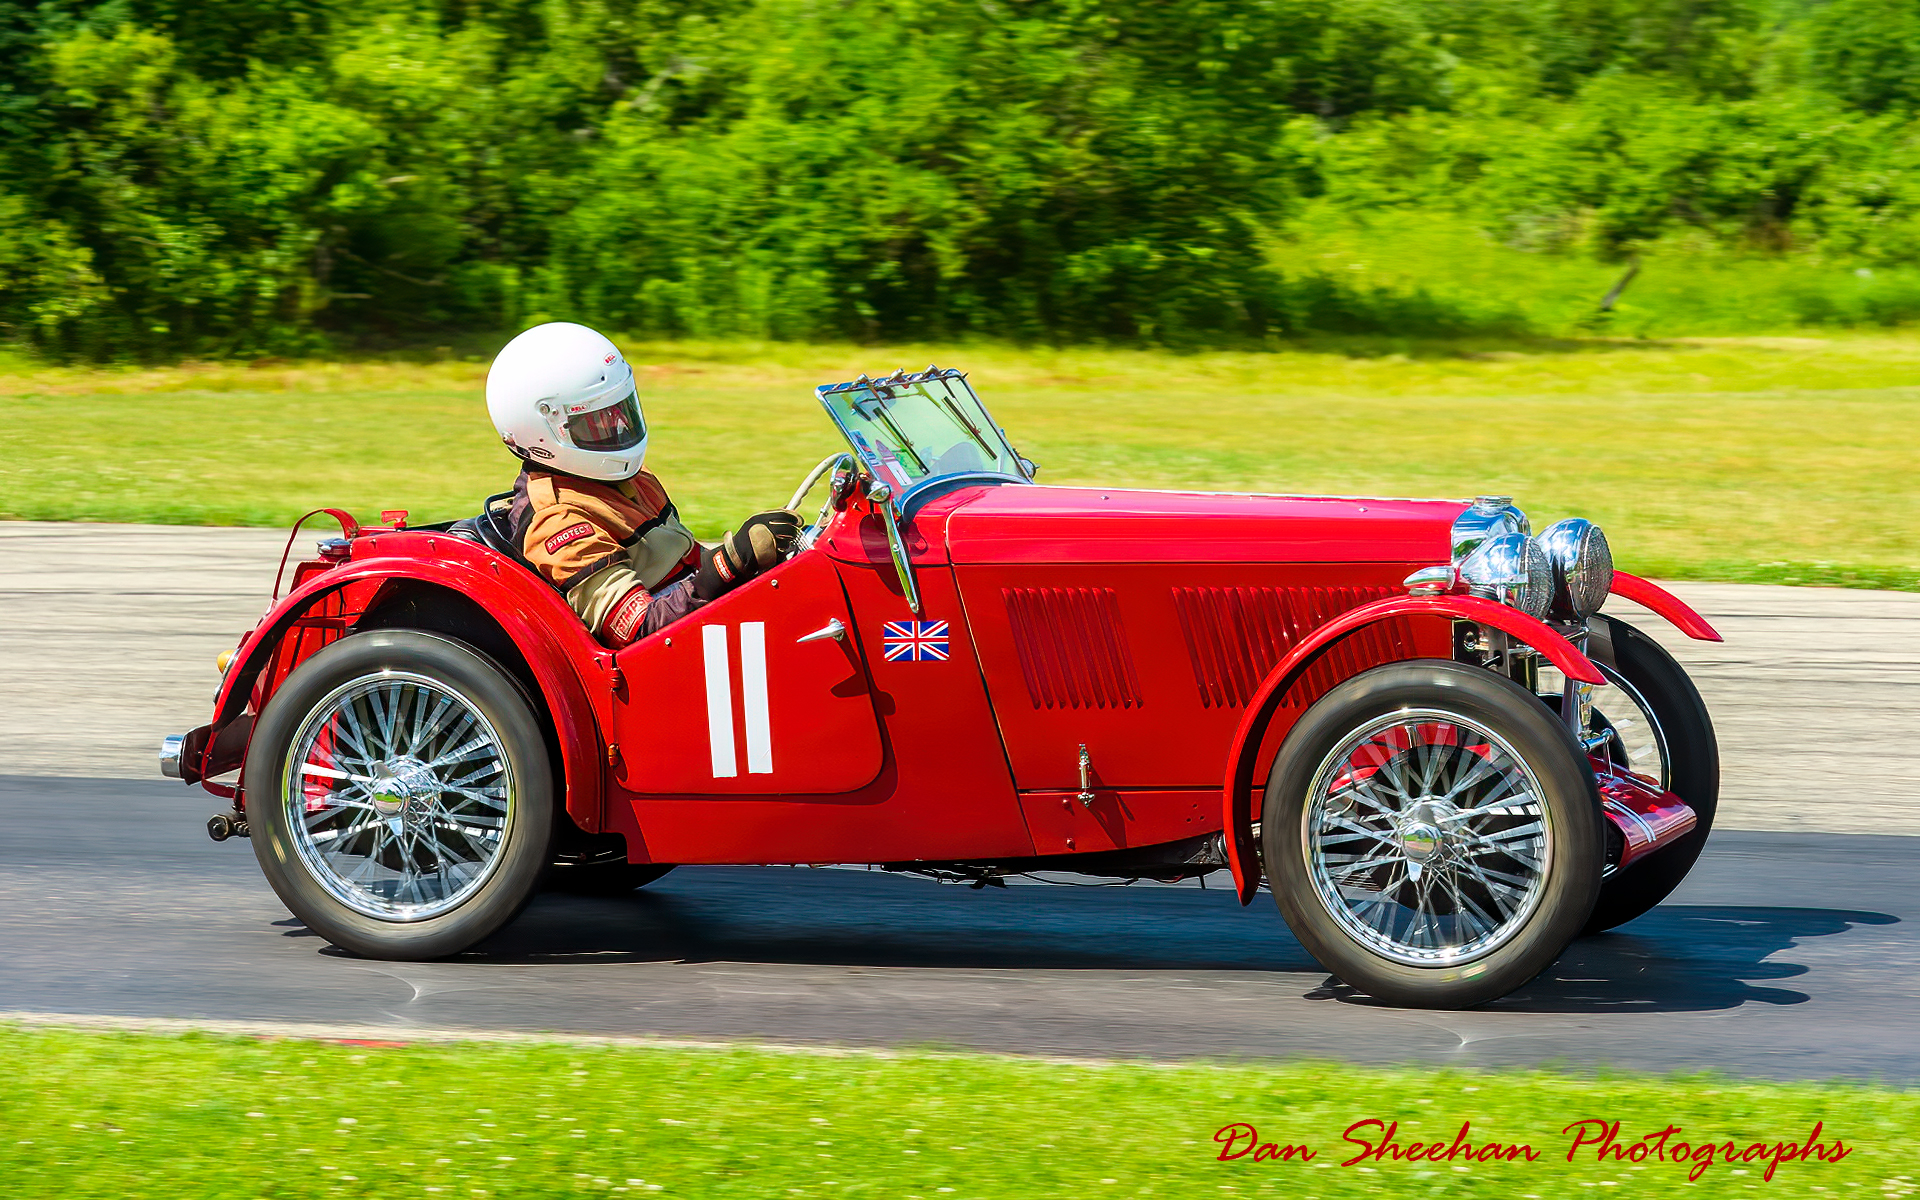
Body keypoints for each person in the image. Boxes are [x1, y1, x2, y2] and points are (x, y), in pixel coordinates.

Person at [485, 322, 801, 647]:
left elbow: (685, 567)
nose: (619, 425)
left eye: (620, 409)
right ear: (542, 430)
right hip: (668, 659)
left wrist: (746, 561)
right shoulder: (557, 520)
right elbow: (640, 629)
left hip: (704, 625)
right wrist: (731, 561)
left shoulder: (627, 475)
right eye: (597, 418)